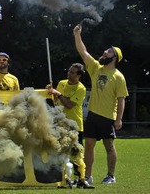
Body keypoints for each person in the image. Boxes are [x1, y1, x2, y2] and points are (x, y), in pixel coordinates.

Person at [73, 24, 128, 184]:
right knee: (89, 145)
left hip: (108, 116)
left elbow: (121, 99)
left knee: (109, 146)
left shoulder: (119, 77)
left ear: (115, 57)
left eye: (109, 51)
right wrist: (77, 35)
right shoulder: (97, 68)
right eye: (106, 50)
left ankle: (110, 176)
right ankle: (88, 176)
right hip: (92, 114)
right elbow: (83, 53)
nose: (105, 52)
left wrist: (118, 119)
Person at [47, 63, 93, 189]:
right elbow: (55, 101)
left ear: (78, 76)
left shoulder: (81, 88)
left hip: (75, 125)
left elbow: (69, 104)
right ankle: (64, 179)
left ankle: (81, 179)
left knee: (77, 153)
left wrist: (59, 94)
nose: (69, 73)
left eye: (72, 72)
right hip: (61, 124)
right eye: (69, 71)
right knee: (61, 152)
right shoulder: (61, 83)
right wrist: (50, 92)